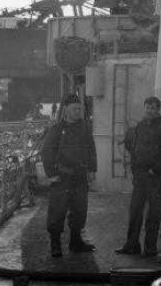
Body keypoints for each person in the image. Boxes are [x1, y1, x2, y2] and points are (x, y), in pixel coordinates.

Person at [116, 96, 161, 257]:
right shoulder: (140, 126)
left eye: (153, 108)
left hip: (155, 178)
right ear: (144, 108)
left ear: (158, 110)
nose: (150, 110)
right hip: (140, 177)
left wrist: (155, 169)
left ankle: (150, 249)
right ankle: (131, 246)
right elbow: (131, 145)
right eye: (147, 107)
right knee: (135, 212)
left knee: (153, 215)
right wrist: (136, 168)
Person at [41, 93, 97, 258]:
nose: (78, 112)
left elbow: (91, 150)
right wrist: (51, 174)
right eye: (74, 109)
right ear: (65, 110)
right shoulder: (56, 130)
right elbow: (46, 152)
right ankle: (55, 245)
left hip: (80, 177)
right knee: (57, 212)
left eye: (79, 109)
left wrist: (92, 170)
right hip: (61, 178)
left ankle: (76, 242)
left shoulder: (84, 128)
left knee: (80, 210)